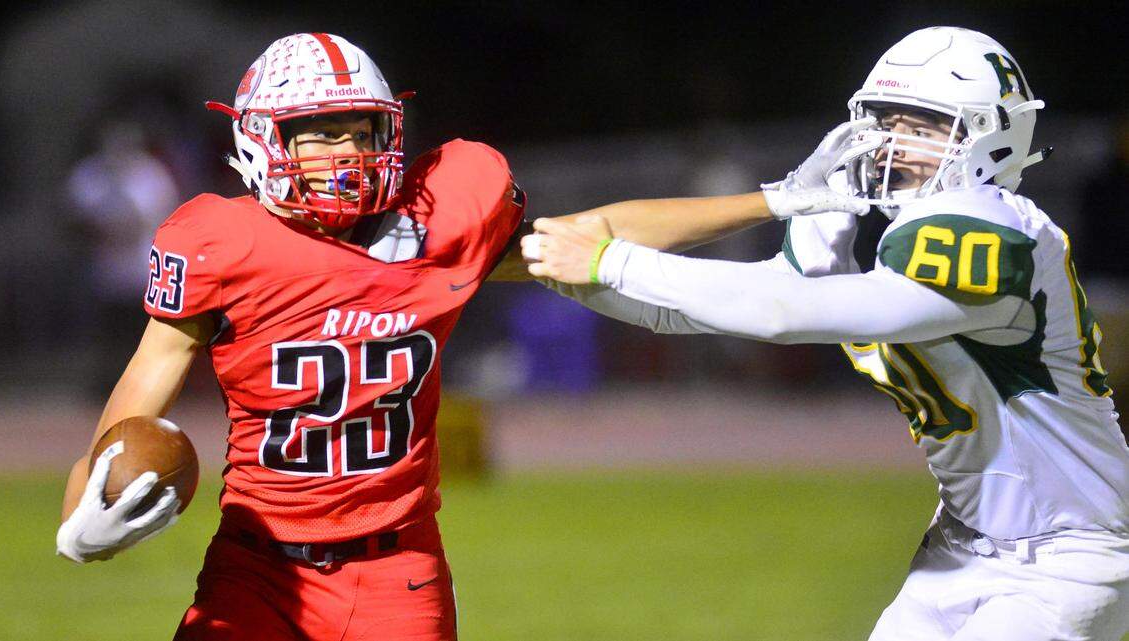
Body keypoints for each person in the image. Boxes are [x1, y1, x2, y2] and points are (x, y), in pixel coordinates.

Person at [523, 27, 1129, 641]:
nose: (894, 145)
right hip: (960, 545)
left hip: (1065, 560)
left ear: (992, 137)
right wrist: (570, 276)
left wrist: (613, 263)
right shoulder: (902, 233)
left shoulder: (990, 226)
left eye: (922, 127)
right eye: (886, 123)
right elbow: (709, 308)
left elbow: (783, 312)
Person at [55, 33, 530, 640]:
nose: (351, 151)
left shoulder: (433, 226)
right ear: (263, 138)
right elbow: (134, 404)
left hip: (397, 566)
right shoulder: (221, 243)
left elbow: (574, 245)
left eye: (363, 131)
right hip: (260, 564)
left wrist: (641, 269)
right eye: (324, 130)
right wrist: (79, 525)